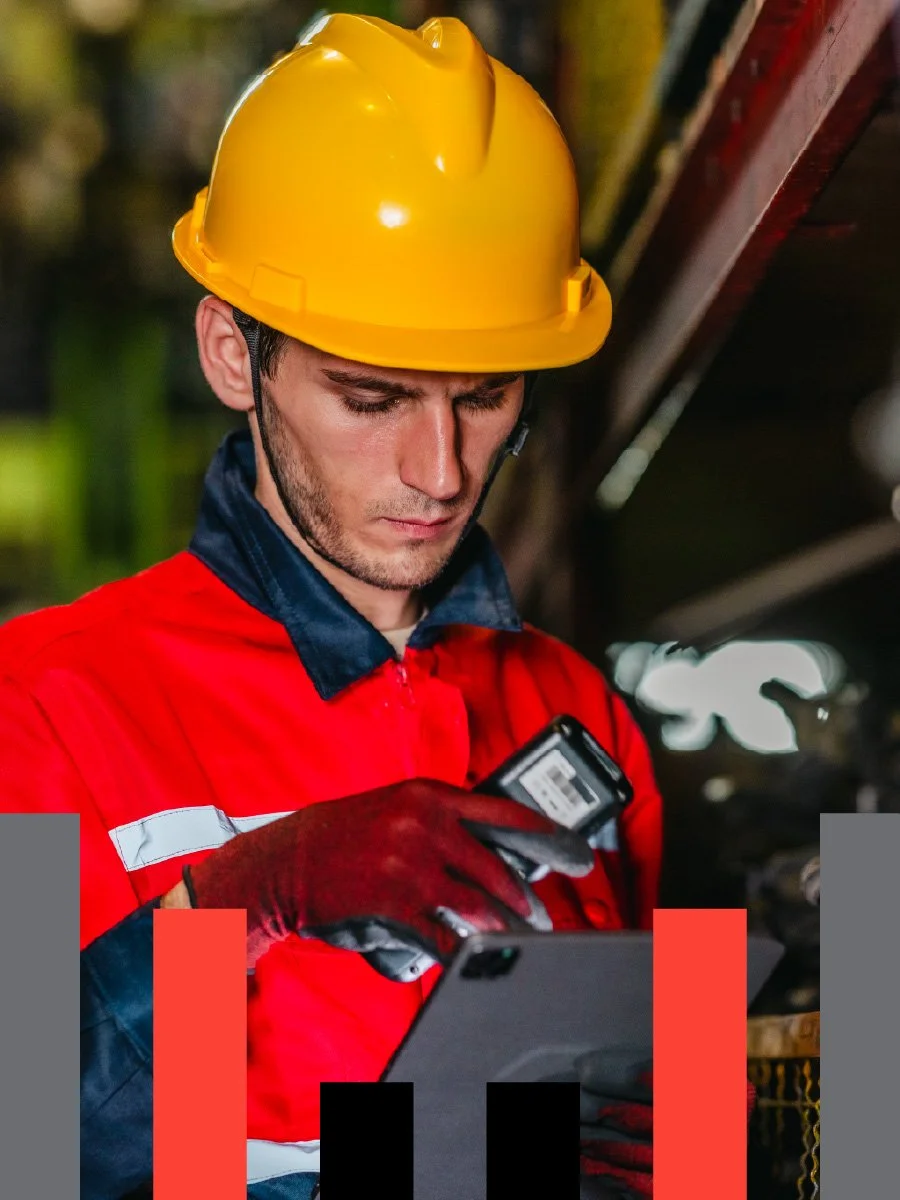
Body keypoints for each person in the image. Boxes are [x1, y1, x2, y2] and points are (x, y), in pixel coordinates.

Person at [0, 13, 662, 1199]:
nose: (441, 470)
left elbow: (670, 1124)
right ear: (232, 354)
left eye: (485, 397)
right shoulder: (44, 703)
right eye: (372, 399)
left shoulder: (580, 714)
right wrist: (248, 892)